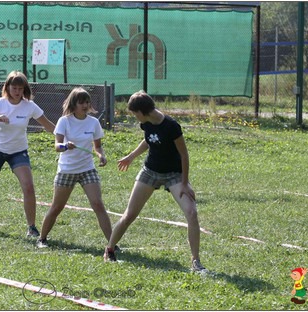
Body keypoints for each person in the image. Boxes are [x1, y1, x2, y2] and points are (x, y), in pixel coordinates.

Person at [103, 91, 207, 273]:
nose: (135, 118)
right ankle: (109, 250)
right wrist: (131, 157)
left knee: (192, 213)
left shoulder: (171, 126)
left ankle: (196, 262)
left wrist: (184, 183)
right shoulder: (146, 124)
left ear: (143, 111)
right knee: (129, 215)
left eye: (135, 114)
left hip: (173, 174)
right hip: (150, 172)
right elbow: (148, 141)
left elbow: (184, 154)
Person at [0, 71, 55, 237]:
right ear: (7, 87)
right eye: (14, 88)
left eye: (21, 88)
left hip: (18, 151)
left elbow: (49, 126)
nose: (17, 92)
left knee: (28, 187)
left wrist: (64, 137)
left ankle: (32, 227)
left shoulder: (30, 106)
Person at [36, 87, 112, 248]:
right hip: (67, 170)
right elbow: (57, 146)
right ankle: (42, 239)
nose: (85, 105)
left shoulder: (94, 122)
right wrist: (65, 146)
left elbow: (97, 146)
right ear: (73, 104)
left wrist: (101, 155)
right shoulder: (64, 121)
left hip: (87, 169)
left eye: (87, 102)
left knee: (98, 204)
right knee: (57, 207)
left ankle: (112, 243)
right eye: (81, 102)